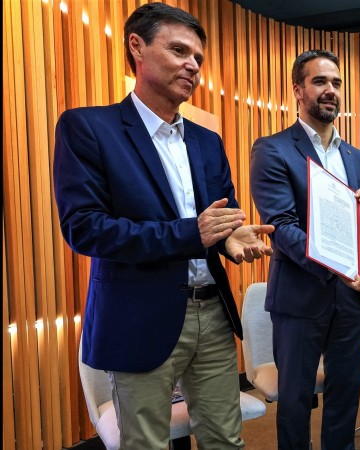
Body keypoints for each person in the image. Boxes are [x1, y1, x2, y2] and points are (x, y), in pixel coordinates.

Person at [52, 3, 273, 449]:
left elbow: (219, 220)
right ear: (137, 47)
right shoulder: (89, 128)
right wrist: (195, 233)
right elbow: (86, 228)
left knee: (226, 440)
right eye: (178, 50)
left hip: (212, 312)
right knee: (146, 443)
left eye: (198, 58)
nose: (193, 65)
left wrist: (230, 239)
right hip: (139, 317)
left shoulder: (208, 141)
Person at [249, 49, 360, 450]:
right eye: (320, 81)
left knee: (345, 398)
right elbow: (282, 227)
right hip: (300, 297)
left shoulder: (356, 157)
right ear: (298, 90)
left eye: (336, 83)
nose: (331, 90)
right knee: (295, 400)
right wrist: (339, 265)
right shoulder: (272, 149)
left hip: (352, 298)